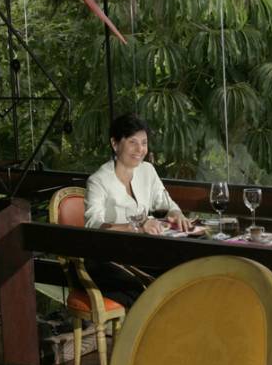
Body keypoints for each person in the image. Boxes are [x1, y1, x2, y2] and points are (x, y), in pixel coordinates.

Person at [82, 113, 193, 306]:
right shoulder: (98, 180)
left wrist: (177, 215)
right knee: (151, 291)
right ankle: (148, 332)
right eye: (133, 142)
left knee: (181, 273)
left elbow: (165, 203)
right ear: (115, 144)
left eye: (144, 142)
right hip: (109, 258)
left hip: (141, 253)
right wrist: (137, 227)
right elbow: (94, 225)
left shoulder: (147, 170)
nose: (140, 149)